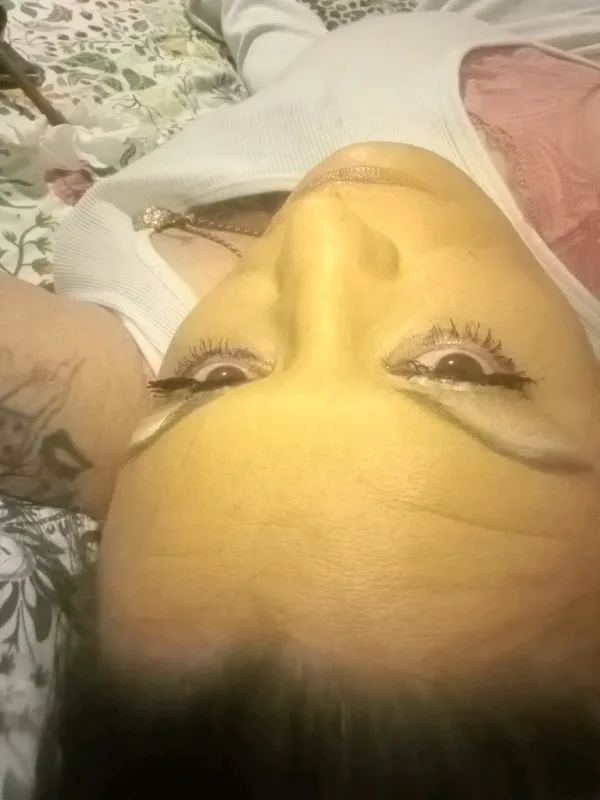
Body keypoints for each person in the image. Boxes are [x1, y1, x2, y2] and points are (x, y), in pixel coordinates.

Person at [1, 0, 598, 796]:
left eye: (217, 378)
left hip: (292, 86)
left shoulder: (119, 395)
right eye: (458, 365)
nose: (319, 232)